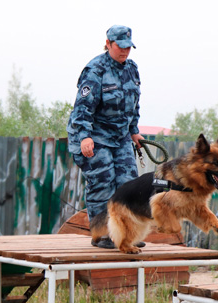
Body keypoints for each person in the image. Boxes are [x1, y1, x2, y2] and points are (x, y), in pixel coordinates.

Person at [67, 24, 145, 248]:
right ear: (109, 44)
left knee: (128, 184)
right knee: (103, 182)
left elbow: (133, 104)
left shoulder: (132, 69)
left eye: (128, 47)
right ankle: (101, 234)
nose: (125, 51)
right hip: (94, 136)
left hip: (119, 138)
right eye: (120, 46)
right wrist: (84, 136)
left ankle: (126, 235)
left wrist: (134, 130)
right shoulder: (95, 70)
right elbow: (82, 108)